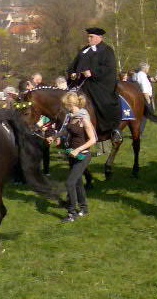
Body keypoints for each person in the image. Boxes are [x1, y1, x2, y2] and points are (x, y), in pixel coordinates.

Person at [67, 27, 121, 141]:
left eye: (91, 37)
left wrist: (92, 72)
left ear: (100, 37)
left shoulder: (107, 50)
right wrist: (72, 73)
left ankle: (113, 129)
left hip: (98, 84)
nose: (89, 39)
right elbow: (73, 65)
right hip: (79, 83)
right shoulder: (84, 50)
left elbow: (109, 68)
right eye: (88, 36)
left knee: (105, 102)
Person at [56, 92, 97, 222]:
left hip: (83, 155)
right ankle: (83, 208)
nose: (64, 107)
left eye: (65, 105)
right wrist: (55, 137)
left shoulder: (83, 118)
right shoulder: (70, 116)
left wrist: (78, 149)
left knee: (70, 182)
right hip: (72, 154)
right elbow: (65, 130)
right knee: (78, 183)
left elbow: (93, 139)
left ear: (70, 104)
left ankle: (71, 213)